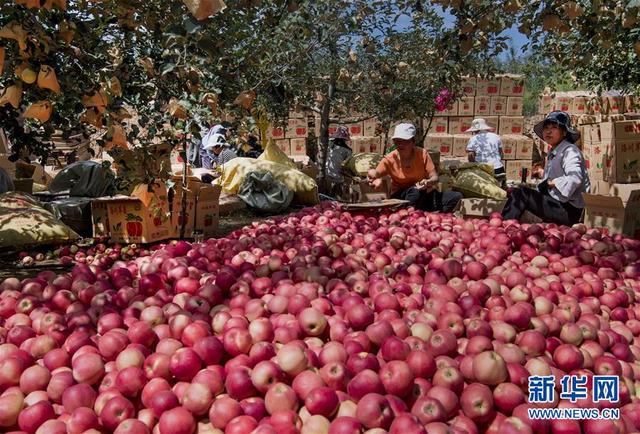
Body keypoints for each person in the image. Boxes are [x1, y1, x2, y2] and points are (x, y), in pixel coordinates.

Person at [501, 110, 590, 226]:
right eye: (546, 127)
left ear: (564, 132)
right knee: (516, 192)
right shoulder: (555, 151)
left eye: (554, 127)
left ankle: (502, 228)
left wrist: (550, 183)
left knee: (521, 194)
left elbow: (575, 178)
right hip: (556, 203)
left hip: (568, 210)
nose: (548, 131)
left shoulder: (570, 151)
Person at [367, 123, 462, 212]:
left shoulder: (422, 154)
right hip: (402, 197)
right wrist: (371, 176)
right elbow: (376, 173)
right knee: (414, 191)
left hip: (423, 193)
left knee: (456, 196)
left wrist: (428, 181)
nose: (400, 144)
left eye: (404, 141)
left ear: (413, 142)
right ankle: (410, 212)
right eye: (397, 141)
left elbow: (435, 177)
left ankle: (422, 212)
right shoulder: (390, 158)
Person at [465, 118, 506, 188]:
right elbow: (501, 154)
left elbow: (470, 155)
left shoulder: (473, 139)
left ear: (475, 130)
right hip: (499, 169)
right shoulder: (496, 136)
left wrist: (473, 167)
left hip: (484, 170)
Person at [326, 126, 353, 197]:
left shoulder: (328, 147)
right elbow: (347, 165)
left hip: (326, 174)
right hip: (337, 177)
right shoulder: (347, 151)